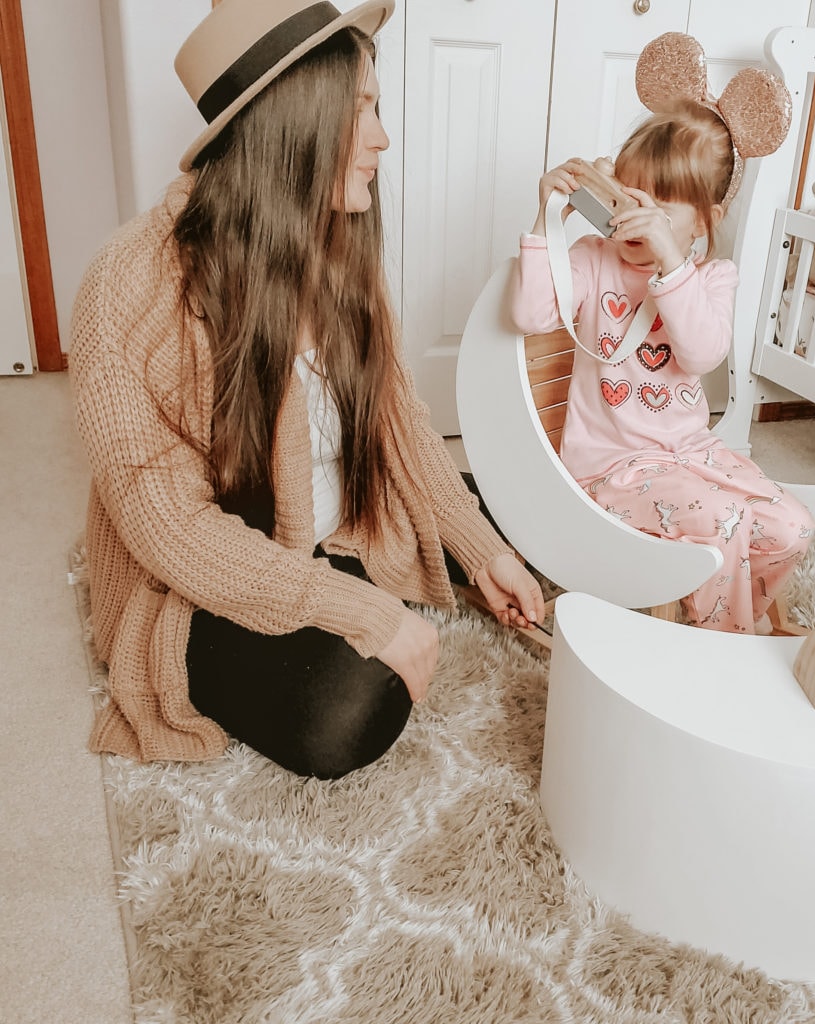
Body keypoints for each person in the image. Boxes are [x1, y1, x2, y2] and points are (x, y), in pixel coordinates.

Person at [69, 0, 544, 779]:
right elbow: (170, 530)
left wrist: (478, 547)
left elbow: (398, 420)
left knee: (520, 521)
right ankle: (334, 600)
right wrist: (356, 609)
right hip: (209, 573)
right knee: (346, 711)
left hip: (333, 528)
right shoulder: (126, 284)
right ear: (294, 119)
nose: (383, 138)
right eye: (361, 110)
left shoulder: (336, 247)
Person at [509, 104, 815, 634]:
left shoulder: (713, 278)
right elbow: (529, 315)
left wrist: (672, 264)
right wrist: (545, 219)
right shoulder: (592, 258)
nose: (634, 220)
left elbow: (700, 352)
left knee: (794, 527)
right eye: (627, 199)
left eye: (658, 211)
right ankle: (722, 645)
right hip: (613, 469)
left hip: (695, 457)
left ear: (704, 221)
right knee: (726, 522)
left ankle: (729, 614)